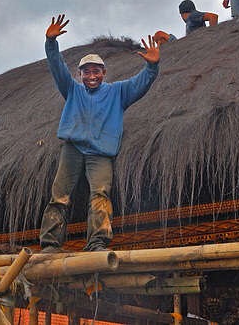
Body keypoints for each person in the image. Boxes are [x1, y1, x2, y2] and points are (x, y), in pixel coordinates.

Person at [39, 14, 159, 252]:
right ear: (79, 75)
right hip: (72, 149)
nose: (91, 76)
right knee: (59, 195)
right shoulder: (72, 89)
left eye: (96, 71)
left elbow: (141, 83)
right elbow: (57, 67)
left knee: (101, 194)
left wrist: (152, 66)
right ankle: (51, 244)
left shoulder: (118, 91)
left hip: (100, 153)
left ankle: (97, 243)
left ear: (104, 72)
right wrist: (51, 43)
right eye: (86, 72)